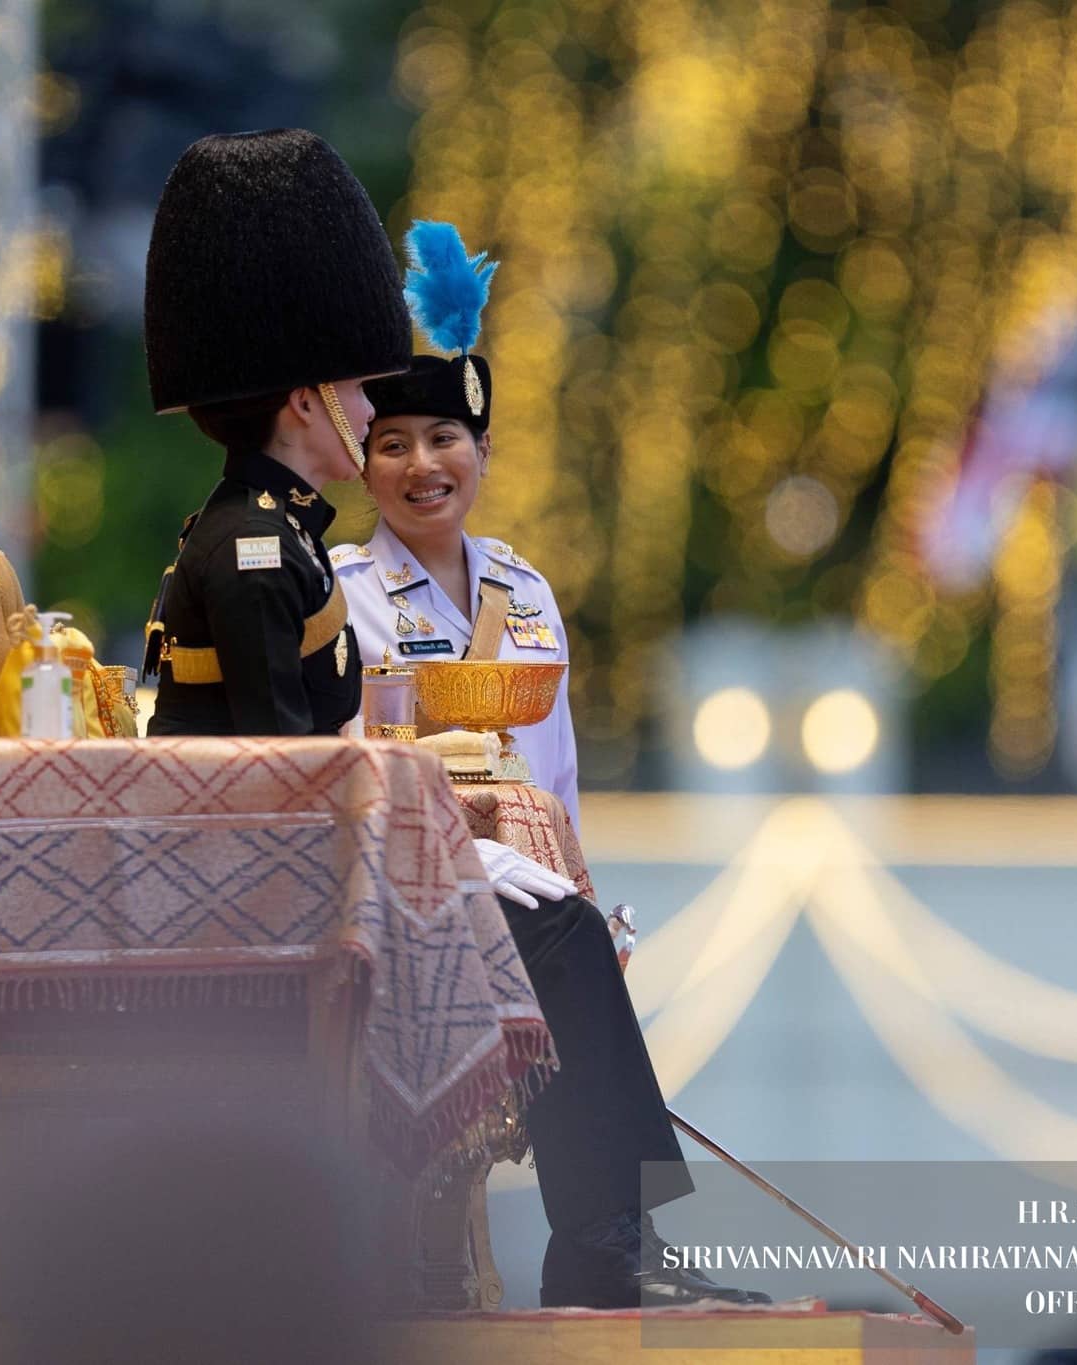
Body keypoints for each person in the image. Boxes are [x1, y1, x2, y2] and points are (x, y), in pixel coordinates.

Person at [337, 221, 769, 1310]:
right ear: (361, 460)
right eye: (390, 442)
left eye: (443, 436)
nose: (419, 465)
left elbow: (553, 774)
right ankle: (605, 1244)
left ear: (481, 449)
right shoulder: (338, 592)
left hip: (524, 890)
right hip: (408, 883)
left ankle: (610, 1242)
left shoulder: (525, 594)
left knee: (571, 941)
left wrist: (580, 894)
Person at [140, 129, 402, 736]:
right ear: (307, 402)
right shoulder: (254, 546)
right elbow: (277, 764)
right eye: (359, 389)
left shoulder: (278, 528)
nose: (369, 413)